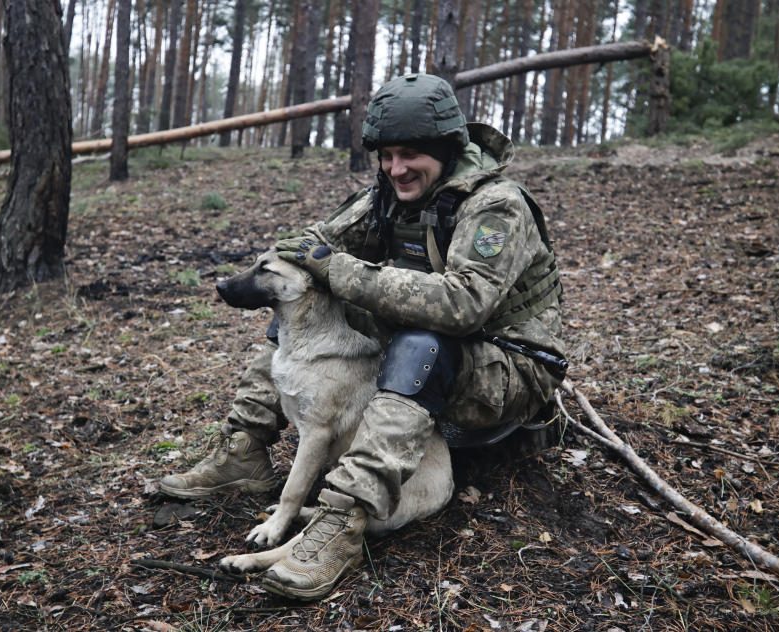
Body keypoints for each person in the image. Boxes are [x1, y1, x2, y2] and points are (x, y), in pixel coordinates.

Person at [159, 73, 565, 599]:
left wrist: (340, 270)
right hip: (442, 347)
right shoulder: (388, 196)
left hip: (511, 368)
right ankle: (245, 447)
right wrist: (298, 266)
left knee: (419, 345)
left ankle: (343, 521)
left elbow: (463, 306)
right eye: (388, 155)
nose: (397, 168)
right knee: (301, 303)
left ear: (446, 149)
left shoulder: (495, 205)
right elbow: (313, 245)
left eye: (411, 155)